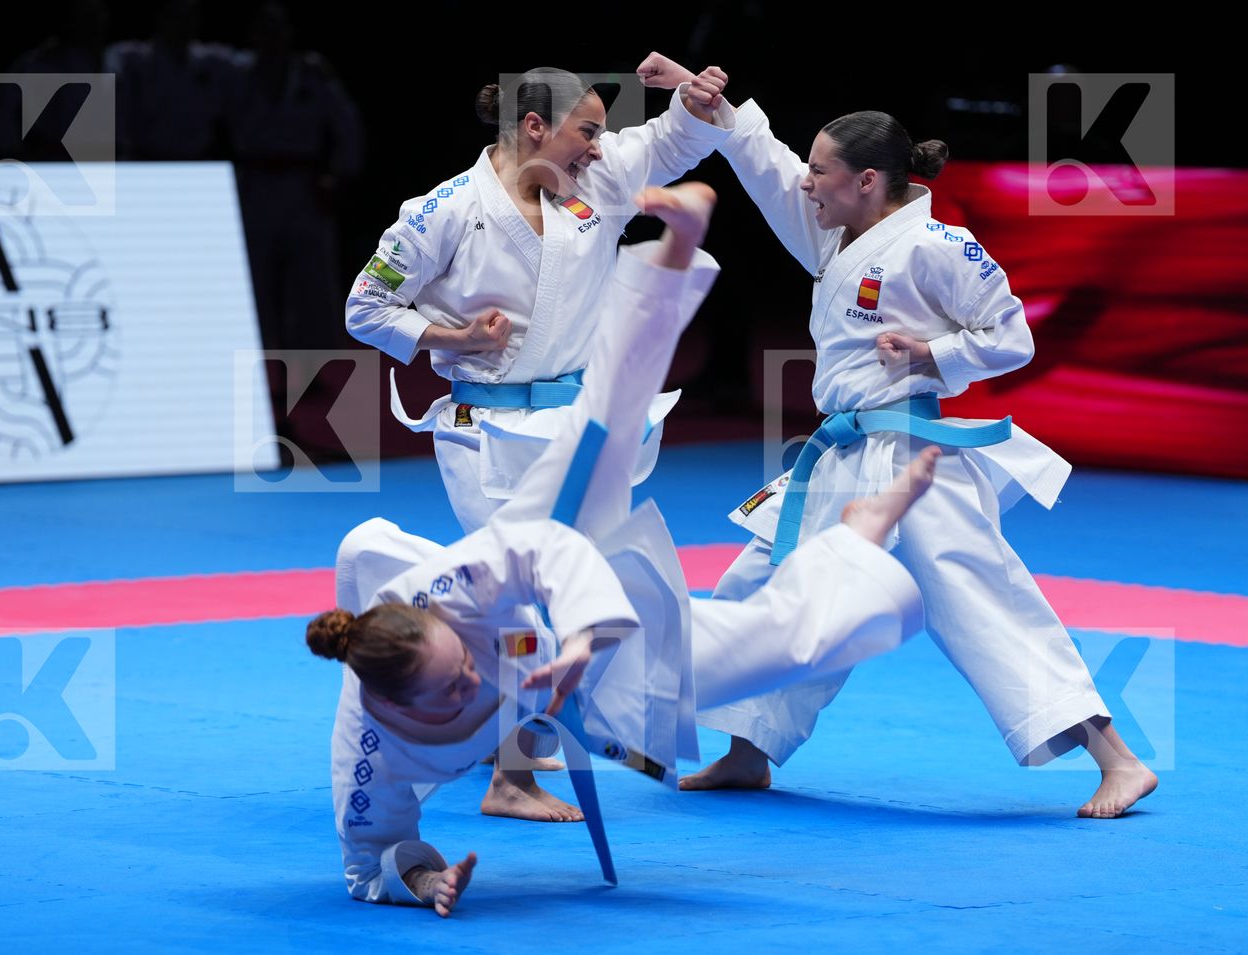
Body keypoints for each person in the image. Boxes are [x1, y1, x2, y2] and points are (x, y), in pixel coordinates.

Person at [310, 183, 938, 914]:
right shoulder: (372, 752)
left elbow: (546, 546)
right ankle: (857, 538)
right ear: (390, 705)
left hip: (563, 605)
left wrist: (580, 637)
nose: (471, 677)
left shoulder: (449, 591)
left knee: (600, 424)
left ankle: (674, 251)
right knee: (774, 653)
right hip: (586, 679)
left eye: (462, 662)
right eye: (453, 688)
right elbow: (368, 858)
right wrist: (426, 880)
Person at [634, 58, 1156, 820]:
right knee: (763, 584)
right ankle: (747, 750)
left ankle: (1120, 759)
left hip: (913, 459)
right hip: (842, 456)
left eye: (823, 173)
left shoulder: (939, 246)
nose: (807, 184)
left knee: (982, 602)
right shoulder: (834, 233)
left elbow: (1012, 338)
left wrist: (932, 356)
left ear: (869, 180)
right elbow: (770, 163)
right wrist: (706, 96)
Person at [344, 57, 732, 535]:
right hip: (484, 430)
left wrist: (694, 104)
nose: (596, 150)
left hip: (578, 419)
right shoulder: (443, 210)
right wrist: (457, 337)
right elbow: (365, 308)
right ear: (535, 126)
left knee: (585, 580)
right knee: (514, 583)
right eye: (587, 133)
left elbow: (665, 140)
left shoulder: (599, 181)